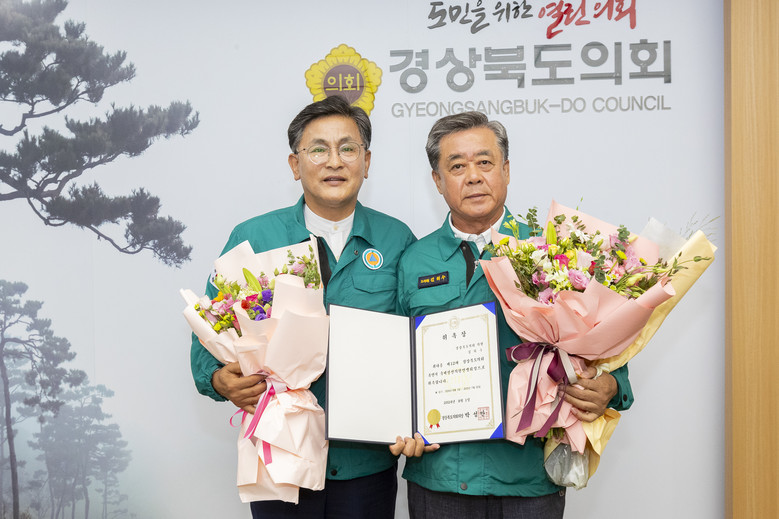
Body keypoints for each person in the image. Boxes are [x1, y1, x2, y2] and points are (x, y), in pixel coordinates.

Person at [395, 111, 634, 518]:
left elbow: (606, 342)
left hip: (530, 477)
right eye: (457, 166)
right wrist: (395, 422)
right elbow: (394, 361)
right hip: (441, 476)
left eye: (485, 162)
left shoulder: (553, 251)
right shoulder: (413, 260)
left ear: (506, 170)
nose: (473, 176)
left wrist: (611, 385)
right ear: (437, 180)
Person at [190, 95, 416, 518]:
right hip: (280, 456)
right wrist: (220, 380)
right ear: (295, 165)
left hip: (365, 463)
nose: (334, 161)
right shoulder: (254, 238)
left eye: (348, 148)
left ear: (367, 162)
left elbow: (417, 342)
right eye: (318, 149)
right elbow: (208, 334)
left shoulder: (397, 239)